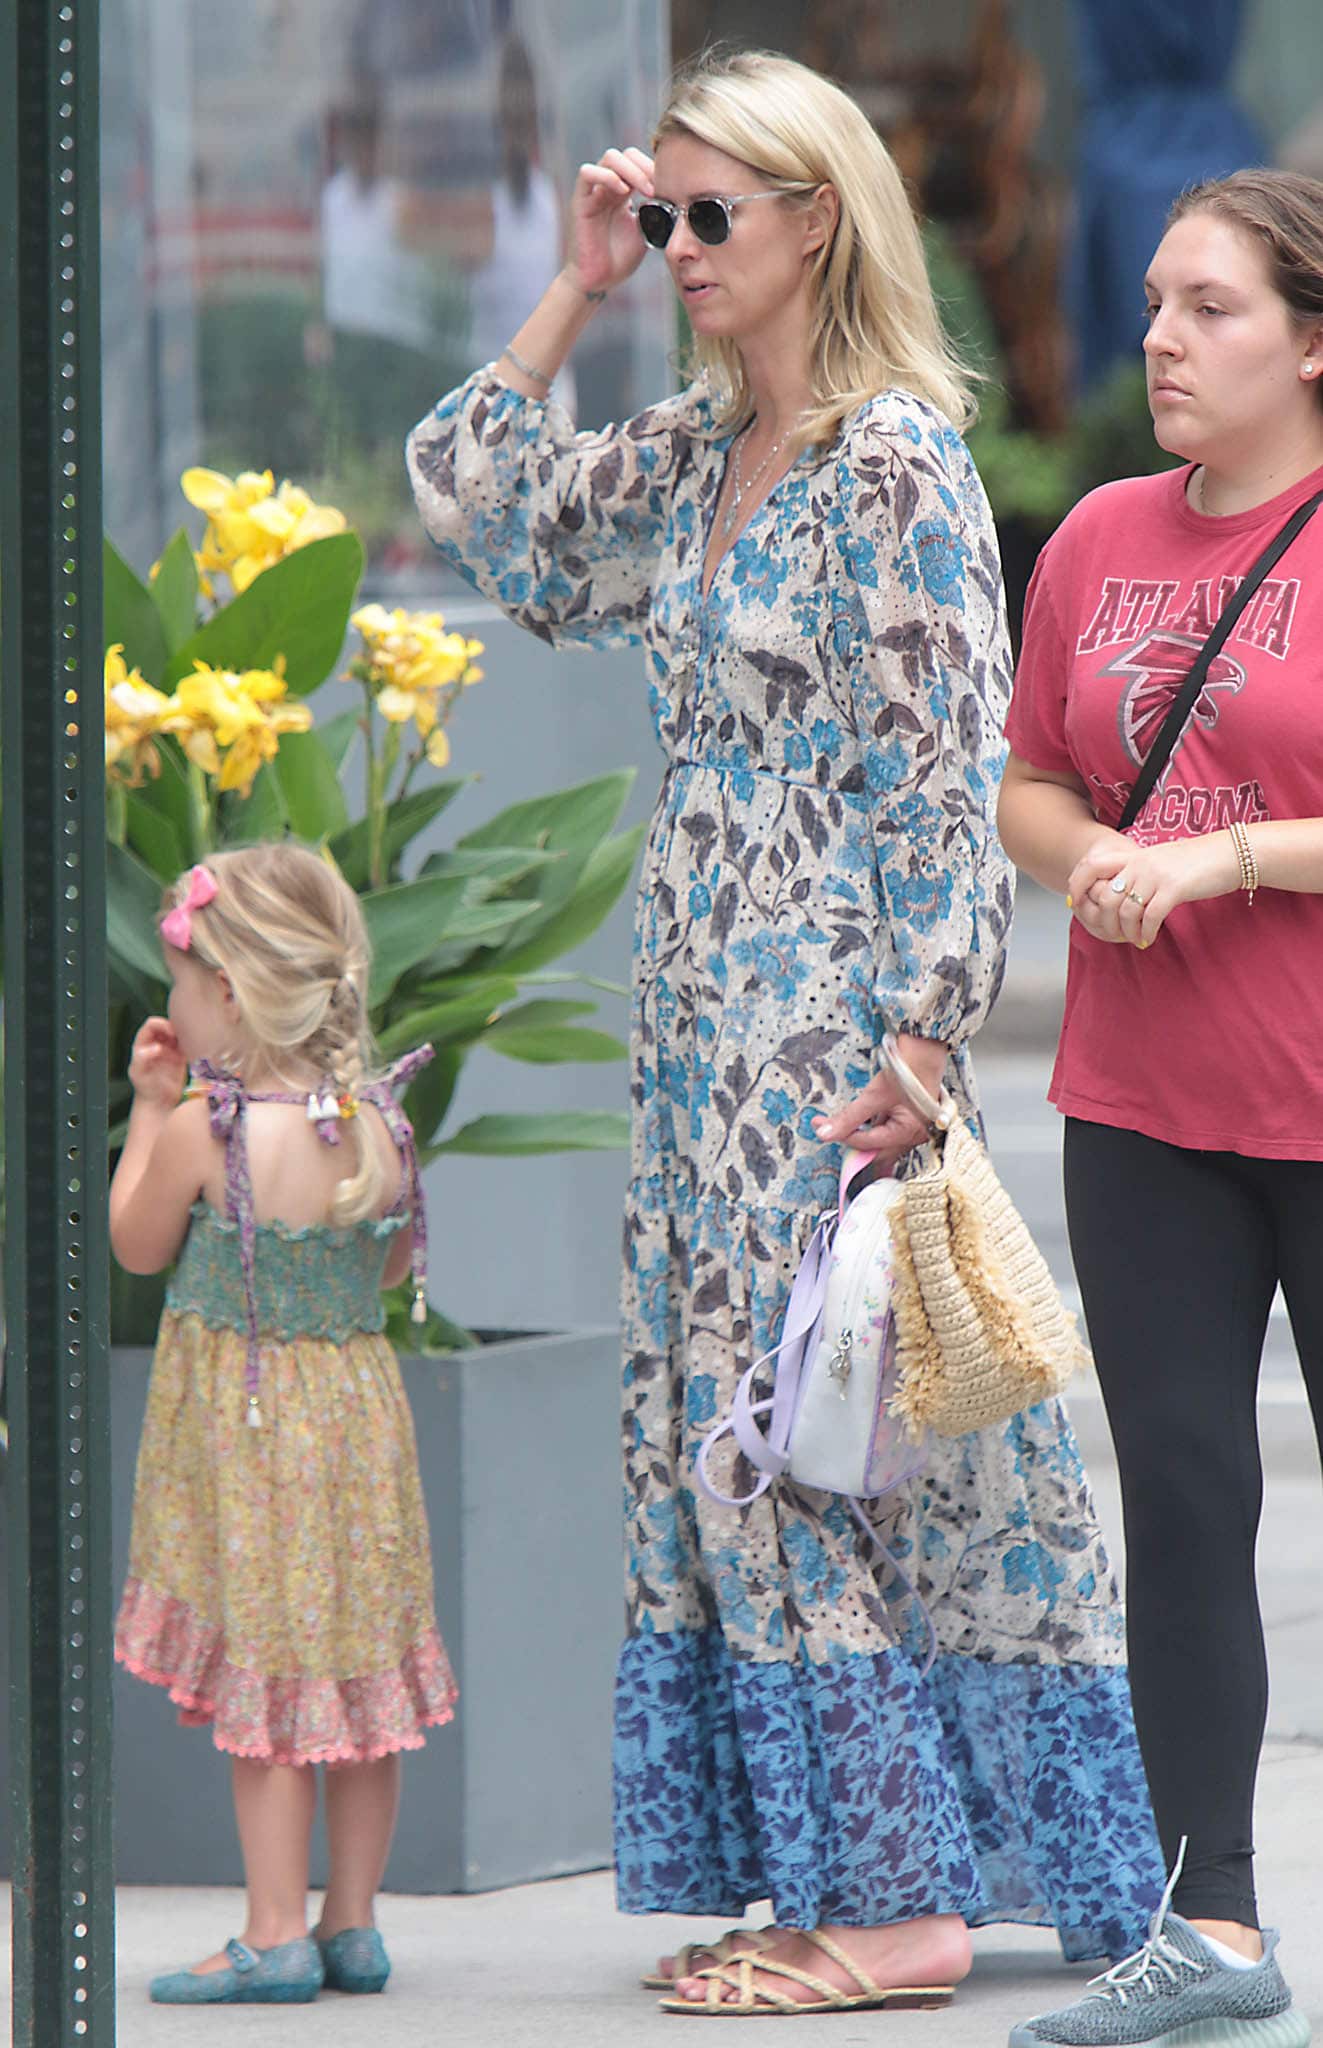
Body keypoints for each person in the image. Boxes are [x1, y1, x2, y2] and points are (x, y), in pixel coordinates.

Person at [409, 47, 1162, 2018]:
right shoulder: (689, 446)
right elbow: (481, 504)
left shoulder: (895, 462)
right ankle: (834, 1874)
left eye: (704, 217)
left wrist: (919, 1048)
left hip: (820, 1051)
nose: (677, 251)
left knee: (796, 1459)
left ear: (816, 218)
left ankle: (898, 1906)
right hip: (691, 1053)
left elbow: (938, 779)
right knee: (735, 1456)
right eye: (659, 216)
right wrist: (570, 278)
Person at [999, 169, 1323, 2048]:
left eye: (1206, 308)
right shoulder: (1100, 540)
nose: (1159, 342)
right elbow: (1029, 776)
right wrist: (1101, 856)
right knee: (1183, 1501)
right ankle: (1205, 1914)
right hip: (1140, 1104)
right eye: (1147, 305)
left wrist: (1228, 866)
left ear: (1306, 338)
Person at [110, 844, 457, 2005]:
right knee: (360, 1689)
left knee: (268, 1695)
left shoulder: (208, 1131)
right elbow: (397, 1258)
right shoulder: (376, 1123)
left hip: (255, 1437)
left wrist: (151, 1105)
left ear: (230, 996)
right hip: (360, 1428)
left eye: (182, 984)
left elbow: (136, 1244)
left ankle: (272, 1931)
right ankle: (352, 1922)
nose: (172, 1006)